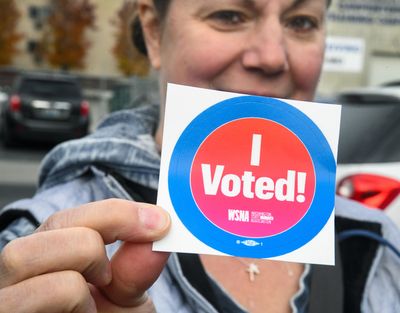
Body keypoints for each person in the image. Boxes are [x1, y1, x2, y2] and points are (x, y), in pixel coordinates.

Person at [0, 0, 400, 312]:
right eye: (229, 15)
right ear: (154, 32)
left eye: (301, 22)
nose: (272, 56)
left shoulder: (376, 239)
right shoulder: (47, 245)